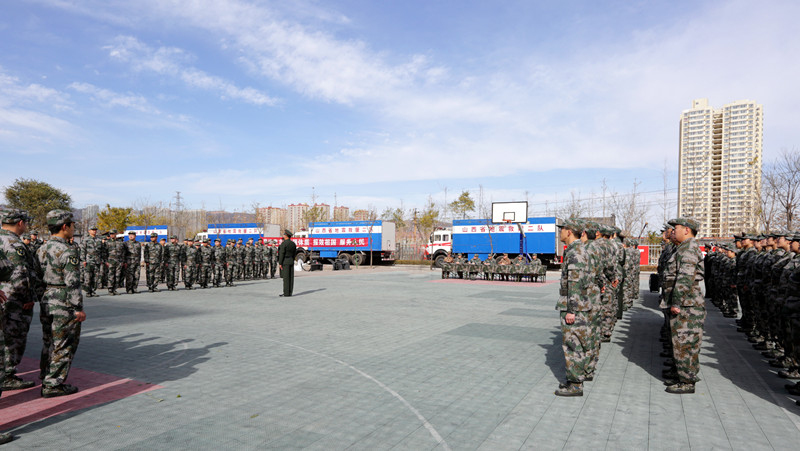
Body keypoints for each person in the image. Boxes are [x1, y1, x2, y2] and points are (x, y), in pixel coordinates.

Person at [37, 210, 87, 398]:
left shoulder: (41, 249)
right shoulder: (67, 250)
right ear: (65, 226)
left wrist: (43, 296)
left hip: (47, 298)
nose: (73, 228)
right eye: (72, 225)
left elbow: (35, 278)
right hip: (63, 300)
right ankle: (53, 384)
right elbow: (72, 282)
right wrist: (77, 307)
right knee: (64, 343)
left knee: (49, 340)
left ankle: (45, 373)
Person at [0, 208, 42, 390]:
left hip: (4, 295)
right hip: (15, 299)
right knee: (14, 337)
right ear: (20, 223)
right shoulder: (14, 243)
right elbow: (20, 273)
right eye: (25, 222)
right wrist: (28, 297)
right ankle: (7, 375)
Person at [663, 218, 705, 394]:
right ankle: (680, 374)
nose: (673, 231)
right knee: (679, 341)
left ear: (686, 230)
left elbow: (685, 278)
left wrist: (676, 302)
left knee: (685, 342)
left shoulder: (689, 249)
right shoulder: (684, 247)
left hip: (687, 305)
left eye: (676, 228)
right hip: (685, 304)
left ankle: (687, 381)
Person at [554, 219, 594, 397]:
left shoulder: (576, 252)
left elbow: (575, 283)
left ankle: (576, 385)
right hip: (578, 304)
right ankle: (575, 380)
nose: (560, 232)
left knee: (573, 344)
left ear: (569, 231)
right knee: (576, 343)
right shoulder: (577, 249)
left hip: (574, 306)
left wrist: (571, 310)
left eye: (562, 229)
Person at [80, 226, 103, 297]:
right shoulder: (85, 240)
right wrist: (83, 260)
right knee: (88, 277)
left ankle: (93, 291)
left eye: (95, 230)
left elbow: (102, 251)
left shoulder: (99, 240)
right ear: (89, 231)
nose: (94, 231)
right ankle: (88, 291)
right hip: (88, 261)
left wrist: (102, 260)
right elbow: (83, 250)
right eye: (93, 230)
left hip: (97, 261)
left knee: (95, 277)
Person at [278, 230, 296, 297]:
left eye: (284, 235)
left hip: (285, 261)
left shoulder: (284, 244)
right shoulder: (293, 244)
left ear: (286, 236)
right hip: (291, 261)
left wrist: (280, 263)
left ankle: (286, 293)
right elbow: (294, 253)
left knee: (286, 278)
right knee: (291, 277)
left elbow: (282, 254)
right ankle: (290, 292)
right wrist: (292, 259)